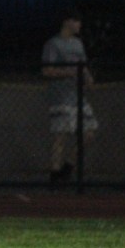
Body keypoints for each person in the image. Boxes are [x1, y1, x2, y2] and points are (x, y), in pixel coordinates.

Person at [41, 9, 98, 185]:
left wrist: (88, 78)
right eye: (77, 21)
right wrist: (68, 72)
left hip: (77, 95)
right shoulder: (53, 44)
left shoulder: (78, 44)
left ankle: (68, 166)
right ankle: (55, 173)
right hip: (61, 95)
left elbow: (83, 65)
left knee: (89, 133)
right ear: (67, 22)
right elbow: (47, 70)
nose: (79, 25)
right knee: (61, 135)